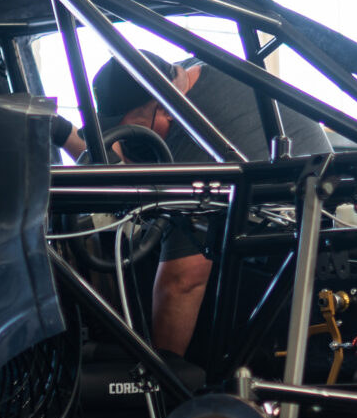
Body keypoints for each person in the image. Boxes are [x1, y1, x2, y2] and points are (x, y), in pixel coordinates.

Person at [83, 50, 327, 355]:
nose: (124, 141)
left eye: (135, 128)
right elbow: (111, 148)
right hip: (259, 230)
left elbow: (182, 282)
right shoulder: (178, 75)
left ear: (166, 108)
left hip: (290, 263)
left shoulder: (201, 138)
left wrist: (160, 381)